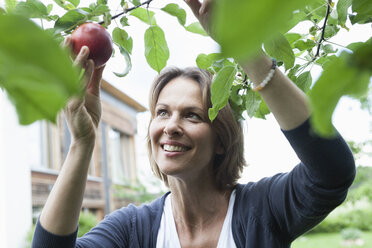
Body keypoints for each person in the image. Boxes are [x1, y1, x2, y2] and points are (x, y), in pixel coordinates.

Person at [32, 0, 355, 247]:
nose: (171, 125)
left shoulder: (261, 209)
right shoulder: (133, 229)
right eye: (162, 112)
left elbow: (332, 172)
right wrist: (82, 144)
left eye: (192, 115)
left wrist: (246, 51)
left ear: (222, 140)